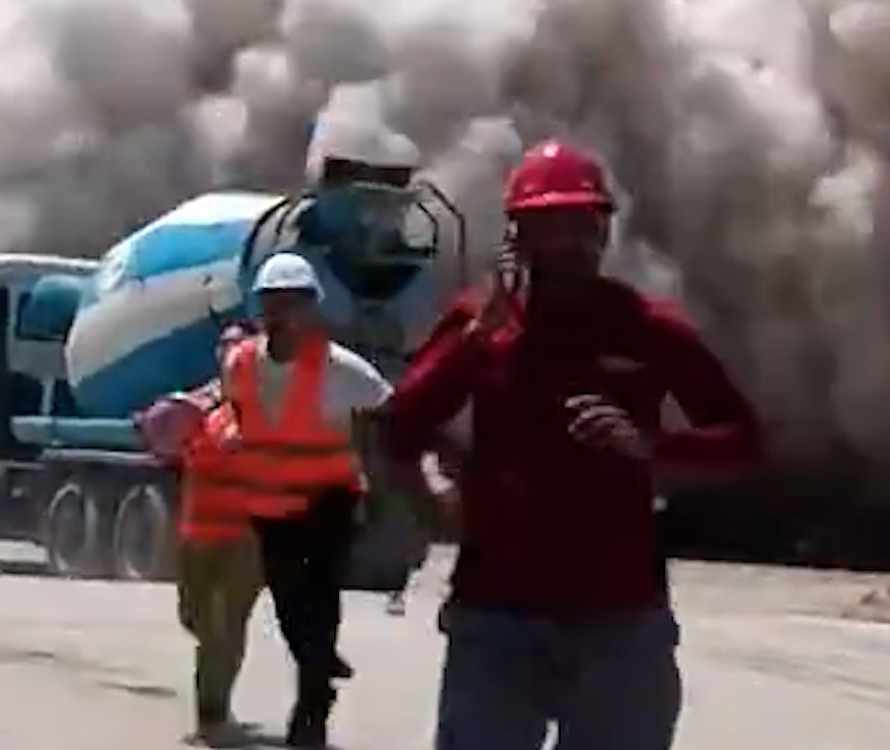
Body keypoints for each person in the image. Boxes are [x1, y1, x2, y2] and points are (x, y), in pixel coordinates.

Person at [373, 139, 765, 750]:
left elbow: (743, 440)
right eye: (547, 224)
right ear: (516, 235)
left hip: (620, 612)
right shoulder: (479, 325)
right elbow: (399, 428)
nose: (566, 242)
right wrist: (475, 345)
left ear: (604, 232)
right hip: (496, 611)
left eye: (582, 224)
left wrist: (649, 448)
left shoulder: (649, 326)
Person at [217, 252, 393, 748]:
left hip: (328, 503)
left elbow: (389, 407)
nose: (282, 316)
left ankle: (311, 709)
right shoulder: (240, 364)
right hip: (270, 510)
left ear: (312, 309)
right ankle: (319, 660)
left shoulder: (339, 369)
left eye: (293, 304)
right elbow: (235, 411)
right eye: (272, 304)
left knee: (320, 601)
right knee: (291, 609)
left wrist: (384, 481)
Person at [138, 327, 263, 746]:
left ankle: (212, 715)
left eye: (239, 349)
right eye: (225, 349)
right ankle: (216, 685)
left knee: (221, 628)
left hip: (244, 539)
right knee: (193, 616)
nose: (231, 357)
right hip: (196, 534)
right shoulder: (200, 406)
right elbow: (162, 440)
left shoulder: (268, 407)